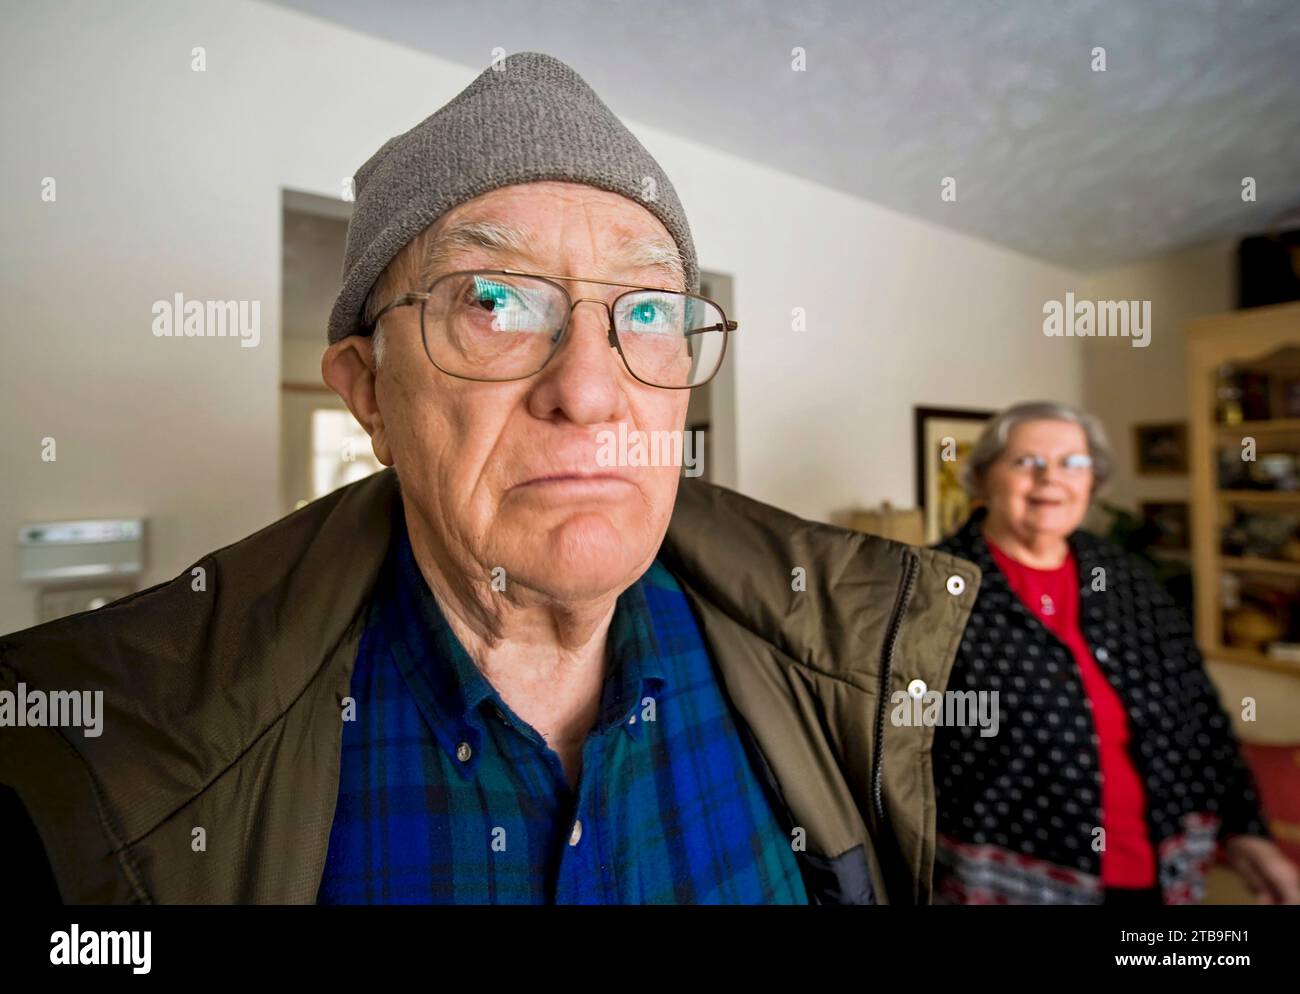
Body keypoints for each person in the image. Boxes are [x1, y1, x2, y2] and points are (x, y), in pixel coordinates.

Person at [0, 52, 982, 905]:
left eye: (646, 311)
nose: (590, 390)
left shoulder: (831, 664)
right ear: (369, 392)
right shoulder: (103, 772)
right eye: (494, 299)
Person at [931, 401, 1300, 904]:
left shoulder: (1122, 574)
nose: (1050, 479)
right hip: (1011, 877)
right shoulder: (935, 585)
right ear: (982, 478)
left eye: (1072, 463)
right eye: (1025, 462)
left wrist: (1247, 829)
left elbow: (1199, 708)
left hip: (1158, 866)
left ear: (1092, 481)